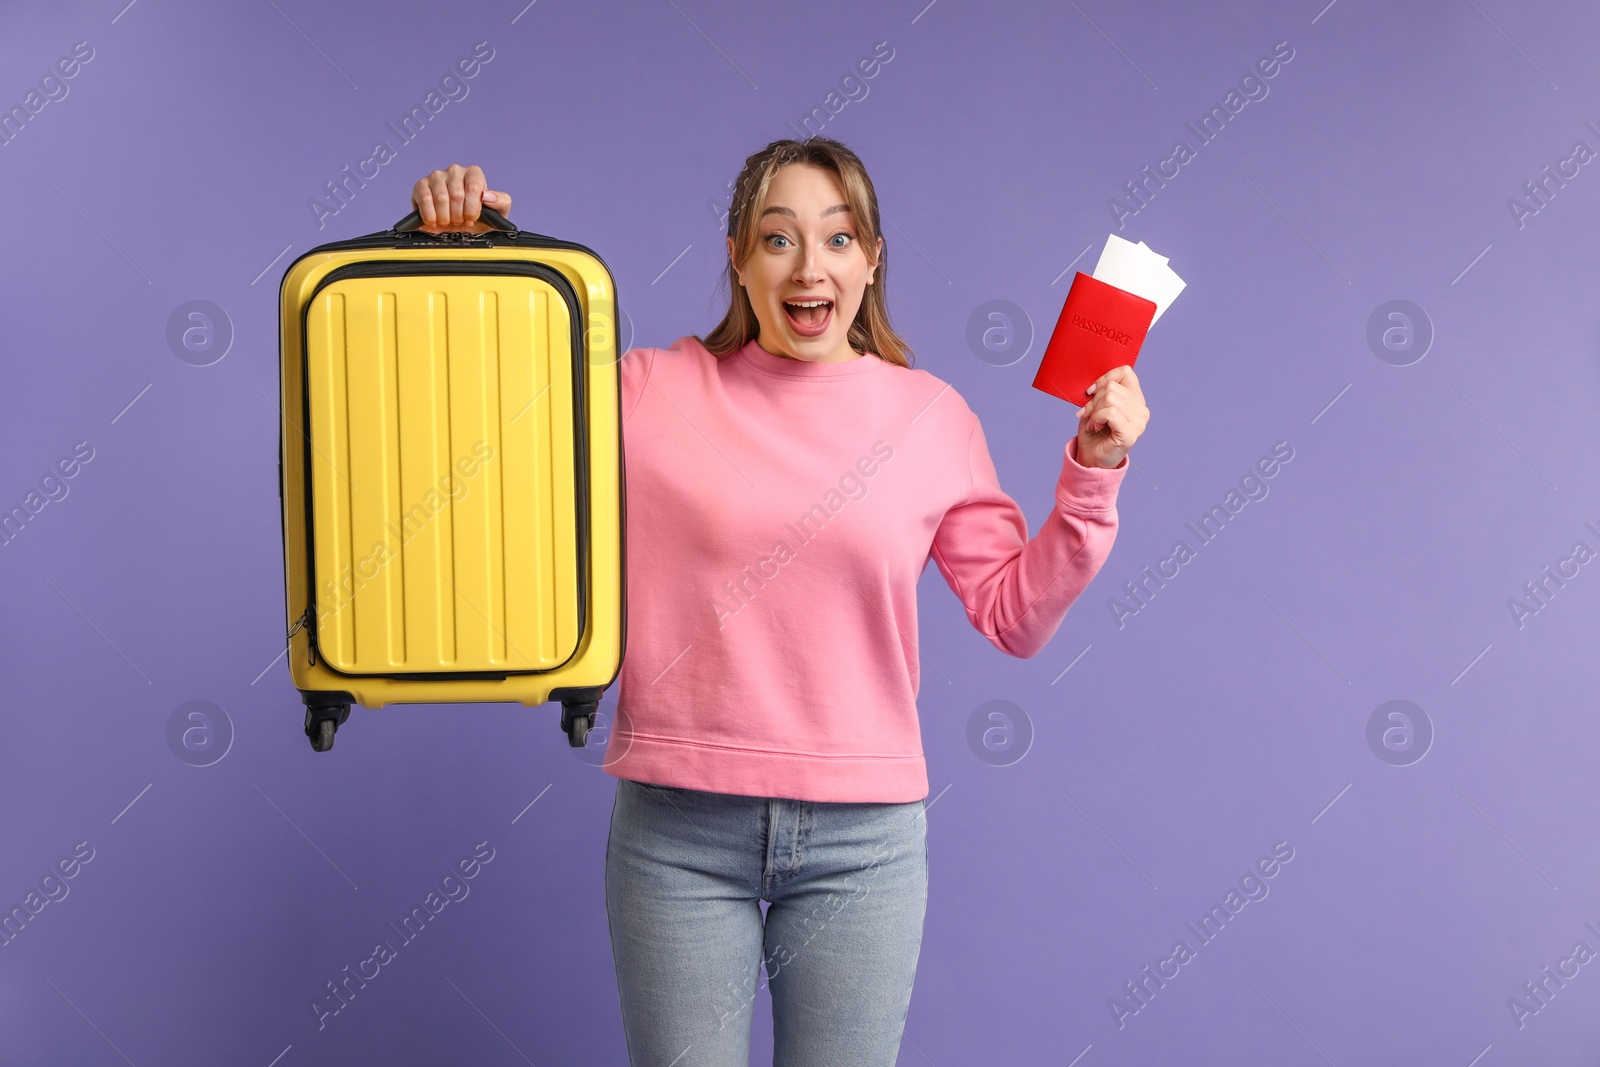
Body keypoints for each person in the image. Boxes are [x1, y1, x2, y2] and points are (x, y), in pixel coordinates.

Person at [409, 138, 1149, 1067]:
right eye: (778, 238)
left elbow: (1015, 615)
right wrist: (468, 251)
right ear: (737, 257)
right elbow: (476, 426)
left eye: (839, 240)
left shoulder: (931, 418)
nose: (810, 268)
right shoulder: (646, 390)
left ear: (871, 260)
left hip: (863, 842)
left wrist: (1095, 471)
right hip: (677, 828)